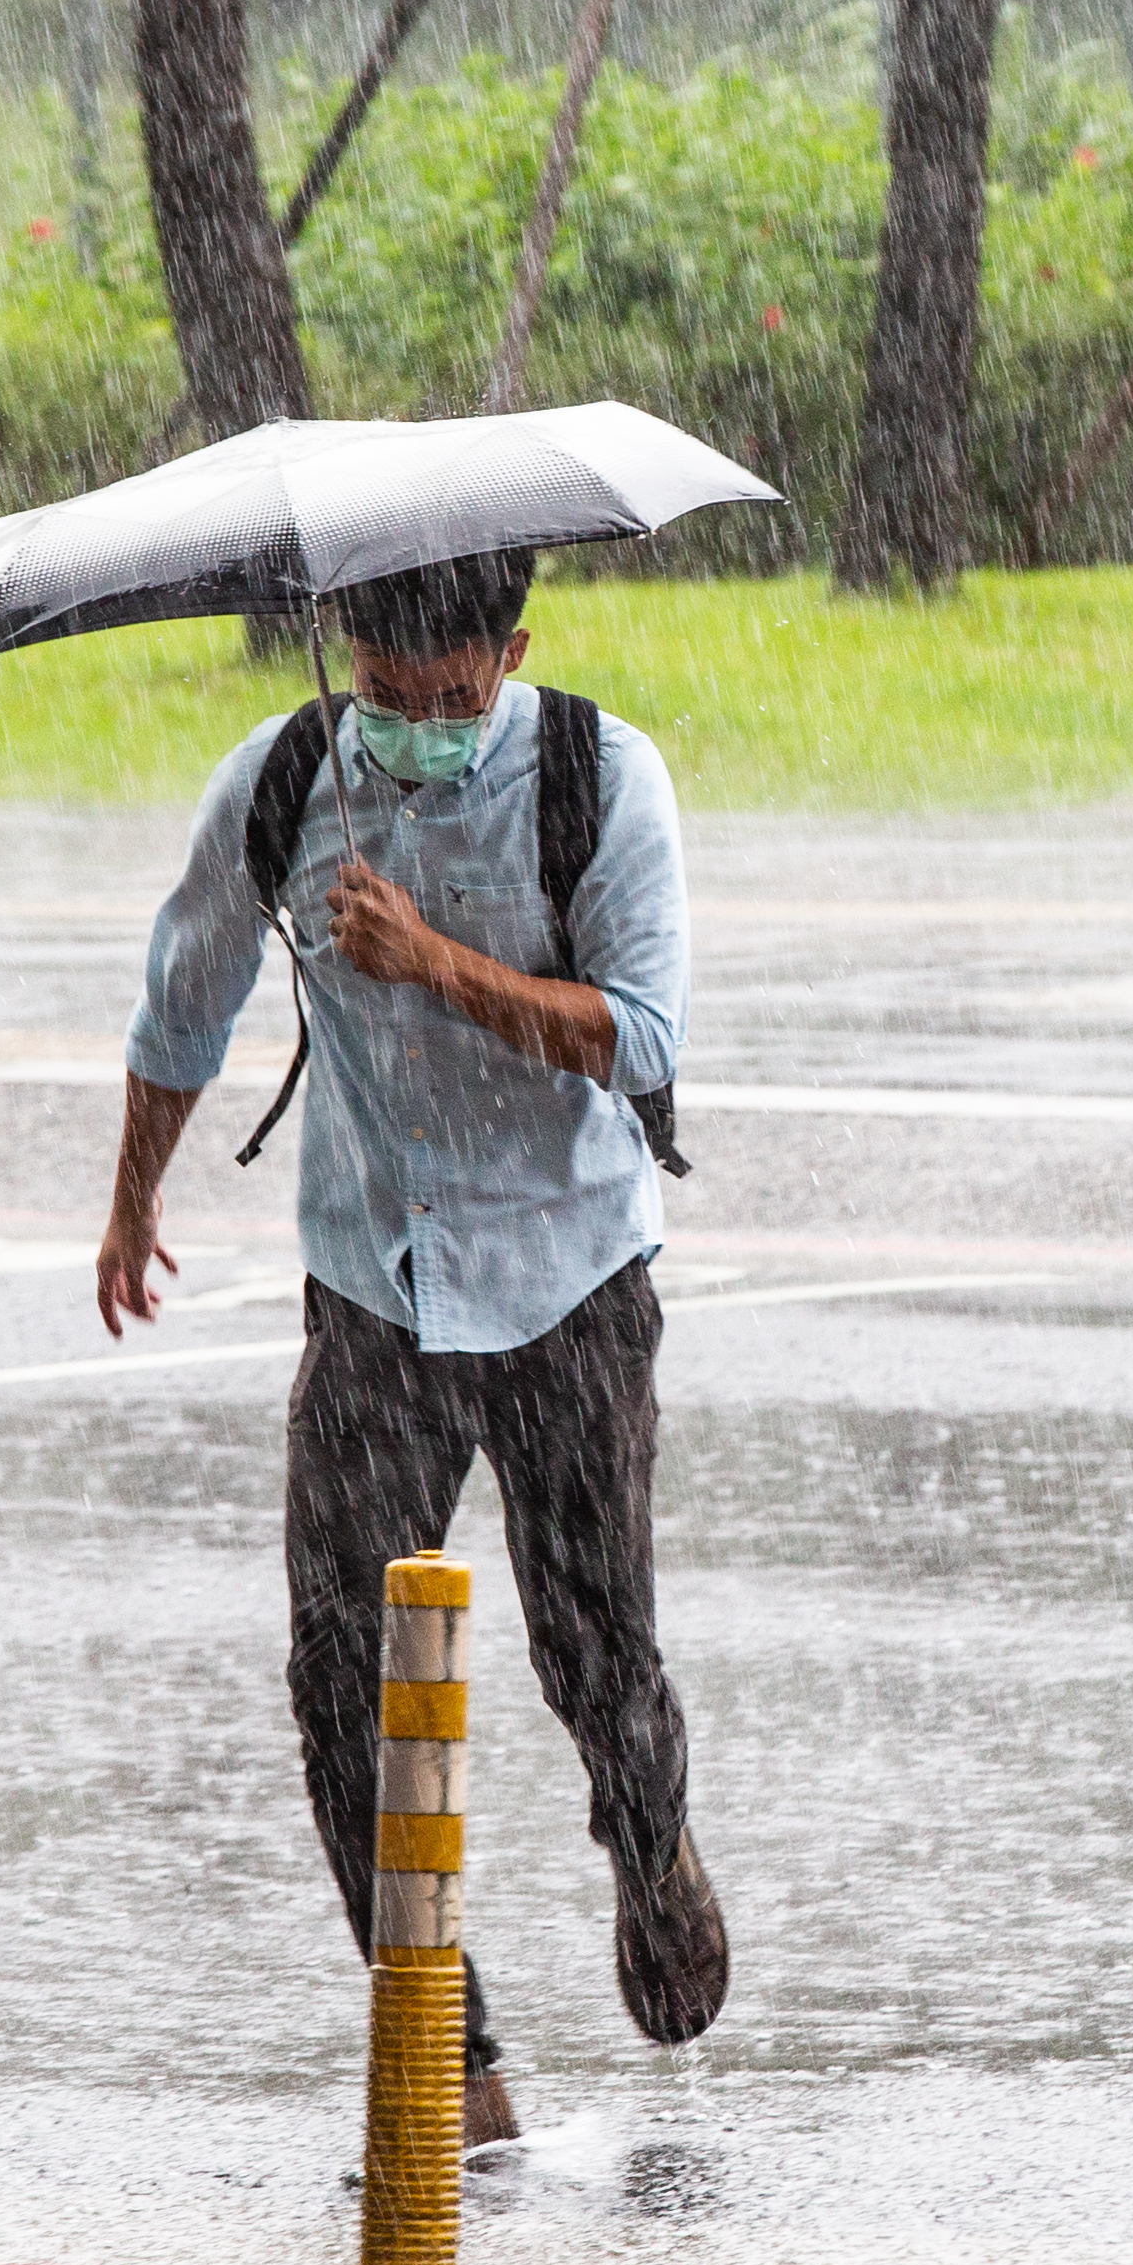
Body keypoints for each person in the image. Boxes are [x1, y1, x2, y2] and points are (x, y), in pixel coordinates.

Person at [94, 547, 725, 2148]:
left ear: (510, 651)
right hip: (376, 1281)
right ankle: (449, 2046)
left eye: (454, 697)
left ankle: (650, 1845)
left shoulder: (599, 774)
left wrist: (432, 959)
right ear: (346, 651)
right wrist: (132, 1198)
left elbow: (638, 1037)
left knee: (594, 1651)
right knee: (335, 1670)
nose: (418, 723)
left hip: (572, 1268)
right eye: (387, 688)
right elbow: (187, 997)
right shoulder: (289, 776)